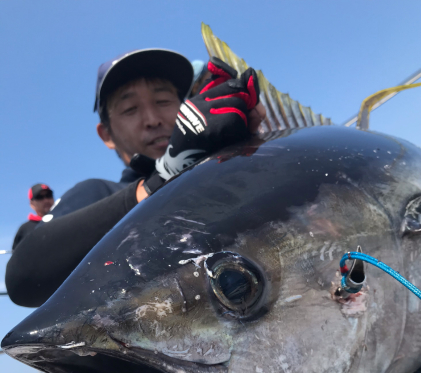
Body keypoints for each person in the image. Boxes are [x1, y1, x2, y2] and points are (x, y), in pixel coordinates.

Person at [6, 50, 266, 308]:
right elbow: (23, 277)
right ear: (106, 135)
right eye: (130, 109)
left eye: (163, 101)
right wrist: (159, 181)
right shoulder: (98, 191)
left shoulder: (224, 178)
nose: (152, 120)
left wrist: (250, 151)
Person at [12, 184, 54, 250]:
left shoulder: (64, 221)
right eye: (40, 197)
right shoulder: (25, 229)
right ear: (32, 204)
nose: (46, 200)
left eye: (48, 195)